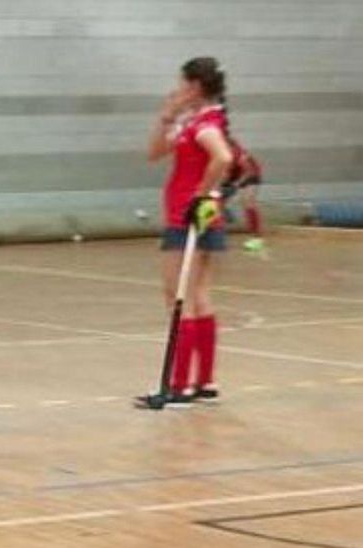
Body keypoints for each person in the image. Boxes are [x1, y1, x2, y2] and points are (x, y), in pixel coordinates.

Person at [138, 57, 234, 408]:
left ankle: (179, 386)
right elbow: (153, 153)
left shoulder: (205, 123)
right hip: (203, 217)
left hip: (188, 218)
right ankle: (204, 383)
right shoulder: (191, 121)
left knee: (177, 297)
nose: (177, 89)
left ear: (194, 86)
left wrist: (200, 193)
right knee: (200, 295)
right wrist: (167, 115)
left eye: (181, 84)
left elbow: (222, 158)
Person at [222, 136, 267, 254]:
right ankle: (220, 226)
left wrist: (236, 185)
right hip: (235, 177)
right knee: (215, 201)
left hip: (251, 176)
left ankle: (257, 238)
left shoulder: (239, 154)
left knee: (248, 202)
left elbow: (249, 171)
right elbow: (225, 173)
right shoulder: (221, 154)